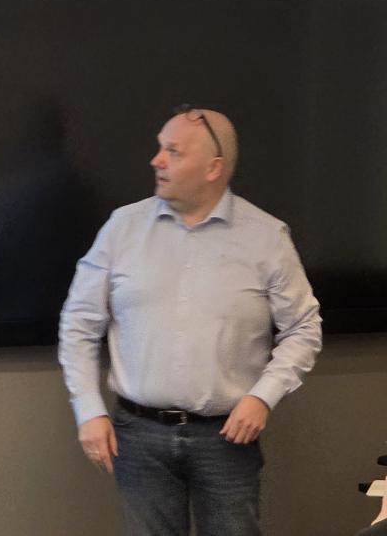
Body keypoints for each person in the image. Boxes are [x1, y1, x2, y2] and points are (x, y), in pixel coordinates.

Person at [58, 105, 322, 536]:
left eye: (173, 151)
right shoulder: (122, 229)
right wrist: (88, 409)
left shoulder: (266, 237)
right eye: (160, 148)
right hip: (138, 436)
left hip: (226, 438)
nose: (156, 160)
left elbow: (303, 328)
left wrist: (263, 397)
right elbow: (79, 324)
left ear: (213, 167)